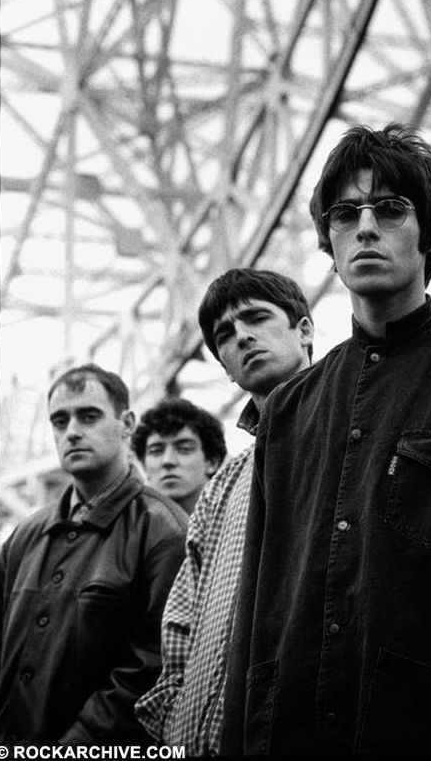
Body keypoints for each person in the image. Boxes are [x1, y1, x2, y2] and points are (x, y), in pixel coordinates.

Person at [221, 122, 431, 755]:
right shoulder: (290, 413)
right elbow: (255, 611)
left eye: (390, 208)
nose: (366, 227)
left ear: (429, 232)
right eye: (345, 213)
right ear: (328, 239)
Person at [135, 269, 314, 756]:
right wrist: (173, 716)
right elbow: (181, 618)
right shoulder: (226, 483)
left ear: (304, 331)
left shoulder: (348, 451)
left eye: (257, 317)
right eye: (225, 336)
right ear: (227, 369)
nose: (243, 336)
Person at [0, 363, 187, 747]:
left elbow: (153, 666)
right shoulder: (25, 535)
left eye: (88, 416)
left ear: (127, 423)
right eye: (59, 420)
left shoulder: (165, 531)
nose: (72, 432)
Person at [132, 397, 227, 514]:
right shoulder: (131, 526)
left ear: (212, 462)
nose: (168, 461)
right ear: (143, 465)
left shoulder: (238, 518)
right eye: (156, 451)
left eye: (184, 449)